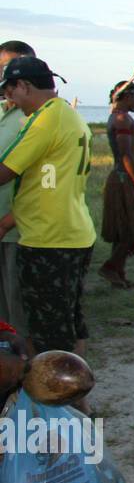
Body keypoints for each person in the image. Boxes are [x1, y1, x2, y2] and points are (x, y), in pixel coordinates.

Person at [0, 57, 95, 356]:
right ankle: (79, 399)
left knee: (45, 335)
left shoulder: (45, 119)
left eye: (9, 91)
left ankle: (55, 399)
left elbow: (5, 172)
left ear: (24, 86)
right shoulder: (67, 114)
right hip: (73, 233)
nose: (7, 98)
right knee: (69, 324)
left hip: (48, 239)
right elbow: (43, 185)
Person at [99, 79, 134, 289]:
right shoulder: (122, 120)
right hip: (126, 179)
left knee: (123, 229)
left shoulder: (118, 117)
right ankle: (110, 267)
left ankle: (118, 274)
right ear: (126, 96)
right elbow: (126, 157)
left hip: (124, 178)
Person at [0, 41, 34, 338]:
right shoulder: (3, 112)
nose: (8, 77)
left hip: (17, 229)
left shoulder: (36, 118)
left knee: (18, 310)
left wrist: (9, 221)